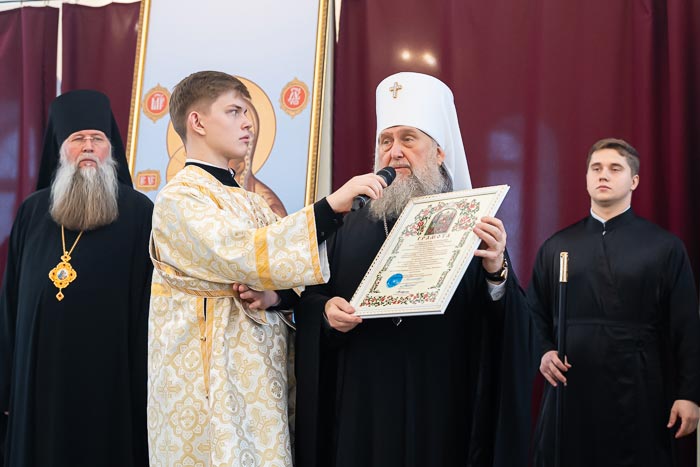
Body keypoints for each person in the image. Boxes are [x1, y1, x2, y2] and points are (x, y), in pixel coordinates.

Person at [294, 71, 535, 467]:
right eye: (385, 141)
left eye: (408, 139)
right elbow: (310, 300)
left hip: (439, 397)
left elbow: (508, 331)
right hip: (364, 400)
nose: (394, 152)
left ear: (439, 152)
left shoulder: (469, 222)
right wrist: (324, 313)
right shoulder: (347, 223)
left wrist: (496, 273)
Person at [147, 71, 387, 467]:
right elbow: (243, 252)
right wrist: (332, 206)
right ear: (197, 122)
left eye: (248, 112)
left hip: (261, 383)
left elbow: (282, 273)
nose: (248, 123)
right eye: (234, 111)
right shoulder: (180, 198)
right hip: (210, 386)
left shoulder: (254, 202)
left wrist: (275, 296)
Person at [0, 90, 153, 466]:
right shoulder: (32, 212)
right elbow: (10, 303)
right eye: (77, 139)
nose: (88, 146)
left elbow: (149, 307)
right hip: (38, 379)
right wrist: (5, 386)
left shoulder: (138, 212)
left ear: (110, 149)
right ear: (60, 149)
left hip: (109, 380)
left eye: (97, 139)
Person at [529, 138, 700, 466]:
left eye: (614, 168)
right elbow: (533, 312)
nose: (603, 175)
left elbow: (687, 326)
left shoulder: (664, 247)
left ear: (634, 180)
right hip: (570, 389)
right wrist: (544, 351)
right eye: (596, 168)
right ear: (586, 178)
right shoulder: (556, 246)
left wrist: (689, 394)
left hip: (639, 389)